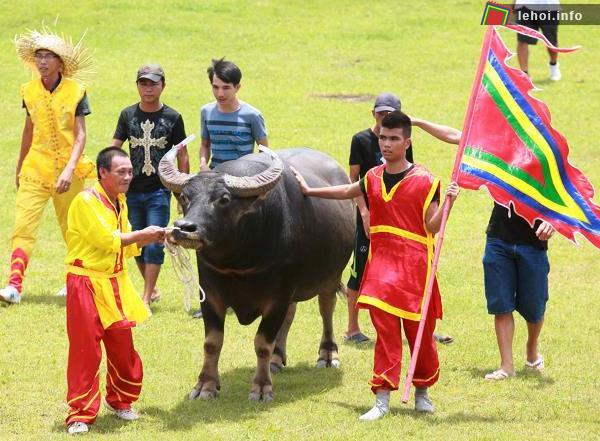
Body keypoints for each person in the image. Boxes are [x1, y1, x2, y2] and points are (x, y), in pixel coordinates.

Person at [292, 111, 459, 420]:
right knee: (385, 335)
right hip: (382, 266)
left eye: (394, 139)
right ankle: (381, 398)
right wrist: (309, 190)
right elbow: (346, 191)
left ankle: (422, 392)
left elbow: (432, 226)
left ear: (407, 143)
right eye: (383, 137)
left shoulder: (426, 181)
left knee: (419, 335)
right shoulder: (372, 177)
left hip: (415, 270)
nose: (386, 144)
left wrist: (448, 203)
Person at [409, 117, 554, 380]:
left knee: (534, 308)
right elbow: (457, 137)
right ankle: (506, 365)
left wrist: (553, 224)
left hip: (533, 244)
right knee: (501, 304)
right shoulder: (498, 151)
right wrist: (417, 122)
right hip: (498, 239)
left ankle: (532, 349)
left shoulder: (544, 161)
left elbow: (562, 199)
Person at [64, 147, 165, 435]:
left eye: (130, 172)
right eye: (121, 172)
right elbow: (106, 240)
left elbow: (128, 245)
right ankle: (80, 415)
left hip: (114, 282)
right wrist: (142, 234)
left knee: (123, 345)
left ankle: (121, 401)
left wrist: (155, 237)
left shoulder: (119, 201)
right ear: (102, 173)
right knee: (86, 350)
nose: (128, 177)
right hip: (85, 283)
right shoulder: (85, 201)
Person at [0, 29, 95, 305]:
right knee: (23, 226)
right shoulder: (28, 91)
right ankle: (14, 285)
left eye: (48, 57)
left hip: (70, 170)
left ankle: (78, 281)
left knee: (73, 228)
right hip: (35, 170)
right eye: (38, 56)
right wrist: (20, 167)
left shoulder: (77, 92)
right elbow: (28, 131)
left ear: (60, 63)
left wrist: (69, 169)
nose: (42, 62)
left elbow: (80, 136)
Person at [112, 63, 189, 311]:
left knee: (155, 240)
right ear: (137, 86)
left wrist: (182, 187)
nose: (148, 88)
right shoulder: (127, 115)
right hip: (131, 189)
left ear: (163, 86)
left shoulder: (173, 117)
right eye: (143, 83)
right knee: (135, 242)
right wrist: (112, 178)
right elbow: (116, 147)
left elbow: (182, 154)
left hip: (159, 189)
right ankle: (151, 287)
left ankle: (144, 298)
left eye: (153, 83)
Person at [345, 92, 411, 344]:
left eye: (389, 113)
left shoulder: (402, 140)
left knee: (400, 269)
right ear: (373, 113)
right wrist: (363, 212)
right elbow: (353, 179)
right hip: (370, 215)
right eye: (380, 112)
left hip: (395, 218)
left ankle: (411, 322)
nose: (384, 117)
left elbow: (408, 175)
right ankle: (352, 328)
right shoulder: (361, 140)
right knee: (360, 268)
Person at [199, 57, 268, 169]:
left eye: (226, 88)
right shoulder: (206, 111)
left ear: (237, 88)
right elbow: (205, 145)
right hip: (215, 177)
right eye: (215, 87)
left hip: (243, 177)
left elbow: (264, 150)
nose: (220, 93)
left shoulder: (252, 115)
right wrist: (203, 164)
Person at [513, 0, 562, 81]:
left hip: (549, 7)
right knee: (522, 40)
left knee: (551, 42)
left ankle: (553, 65)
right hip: (524, 6)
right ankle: (525, 75)